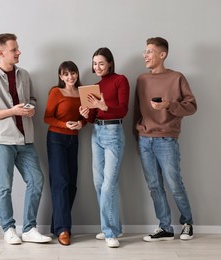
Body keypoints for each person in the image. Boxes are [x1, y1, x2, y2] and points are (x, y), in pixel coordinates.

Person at [0, 33, 51, 245]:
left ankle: (29, 229)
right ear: (1, 53)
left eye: (17, 48)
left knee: (36, 180)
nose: (19, 52)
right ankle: (9, 228)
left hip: (26, 139)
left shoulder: (24, 75)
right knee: (4, 187)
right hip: (2, 141)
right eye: (14, 50)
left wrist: (30, 108)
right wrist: (12, 111)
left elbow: (32, 99)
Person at [133, 37, 197, 242]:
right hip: (145, 139)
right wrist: (138, 135)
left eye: (149, 51)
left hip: (167, 140)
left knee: (174, 183)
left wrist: (169, 105)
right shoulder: (142, 80)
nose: (145, 55)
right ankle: (165, 227)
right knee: (154, 186)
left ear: (163, 54)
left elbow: (192, 106)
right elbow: (136, 111)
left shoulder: (177, 78)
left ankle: (187, 223)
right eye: (145, 51)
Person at [79, 47, 129, 248]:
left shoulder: (120, 80)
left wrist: (104, 106)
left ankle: (109, 232)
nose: (97, 67)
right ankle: (113, 227)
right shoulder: (95, 85)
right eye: (94, 63)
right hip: (96, 134)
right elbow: (93, 118)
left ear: (109, 63)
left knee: (109, 183)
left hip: (113, 133)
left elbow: (123, 110)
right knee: (99, 182)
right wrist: (86, 113)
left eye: (101, 63)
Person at [44, 61, 86, 246]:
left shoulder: (84, 92)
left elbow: (86, 116)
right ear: (60, 77)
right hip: (56, 139)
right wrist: (64, 124)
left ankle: (57, 225)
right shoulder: (56, 92)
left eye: (73, 73)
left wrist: (81, 124)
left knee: (71, 185)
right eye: (66, 74)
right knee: (60, 182)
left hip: (73, 139)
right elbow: (47, 117)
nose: (70, 77)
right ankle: (63, 229)